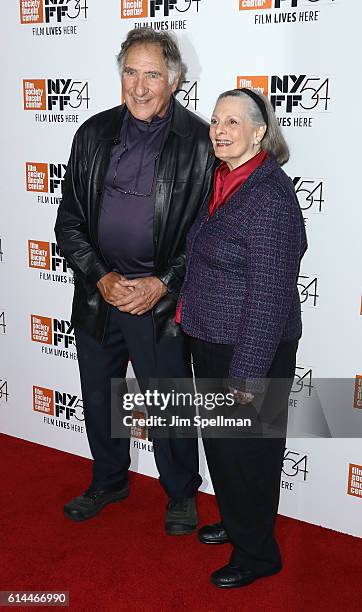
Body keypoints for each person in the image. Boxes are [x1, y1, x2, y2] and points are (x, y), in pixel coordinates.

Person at [54, 28, 214, 534]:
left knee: (167, 403)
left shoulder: (199, 142)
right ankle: (108, 480)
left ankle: (181, 493)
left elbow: (207, 234)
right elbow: (69, 223)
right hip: (99, 297)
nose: (139, 87)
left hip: (158, 304)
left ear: (174, 79)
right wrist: (100, 277)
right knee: (100, 397)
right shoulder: (93, 133)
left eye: (152, 75)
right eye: (130, 72)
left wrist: (162, 283)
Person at [177, 88, 307, 585]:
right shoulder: (224, 179)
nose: (220, 130)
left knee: (250, 454)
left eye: (234, 122)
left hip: (253, 347)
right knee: (226, 448)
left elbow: (269, 297)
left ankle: (258, 556)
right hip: (213, 338)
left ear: (260, 132)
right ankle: (238, 524)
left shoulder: (269, 197)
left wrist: (246, 376)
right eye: (215, 120)